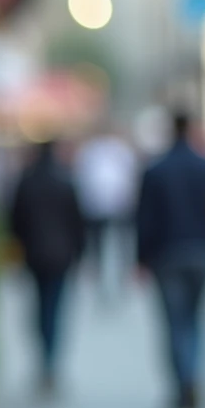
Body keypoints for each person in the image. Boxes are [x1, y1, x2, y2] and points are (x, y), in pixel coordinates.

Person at [135, 111, 205, 408]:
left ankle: (183, 382)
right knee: (196, 320)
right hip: (202, 251)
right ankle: (193, 375)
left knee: (174, 323)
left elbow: (144, 218)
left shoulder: (156, 170)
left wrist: (140, 258)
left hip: (167, 254)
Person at [8, 141, 87, 393]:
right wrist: (80, 254)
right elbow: (77, 222)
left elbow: (13, 220)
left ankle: (45, 358)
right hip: (61, 256)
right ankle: (50, 361)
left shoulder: (27, 180)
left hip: (34, 255)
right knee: (55, 307)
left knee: (40, 307)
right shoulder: (65, 180)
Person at [74, 126, 139, 300]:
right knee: (99, 246)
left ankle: (121, 276)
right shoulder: (93, 151)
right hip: (98, 207)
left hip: (117, 205)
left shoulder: (117, 150)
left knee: (120, 244)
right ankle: (101, 275)